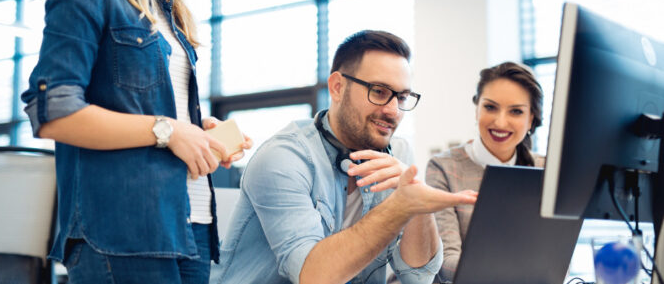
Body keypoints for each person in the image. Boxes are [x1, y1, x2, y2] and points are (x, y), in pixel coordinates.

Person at [20, 0, 252, 283]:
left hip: (193, 226)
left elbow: (147, 111)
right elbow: (55, 110)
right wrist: (169, 131)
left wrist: (194, 132)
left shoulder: (168, 10)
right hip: (126, 229)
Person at [213, 30, 478, 284]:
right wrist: (399, 207)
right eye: (379, 92)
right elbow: (314, 276)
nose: (393, 111)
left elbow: (418, 276)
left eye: (403, 97)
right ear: (337, 87)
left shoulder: (398, 153)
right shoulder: (283, 159)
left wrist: (418, 206)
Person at [425, 61, 544, 282]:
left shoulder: (545, 169)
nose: (500, 122)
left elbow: (555, 255)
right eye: (490, 107)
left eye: (516, 111)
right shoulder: (443, 168)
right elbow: (445, 263)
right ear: (477, 107)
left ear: (531, 120)